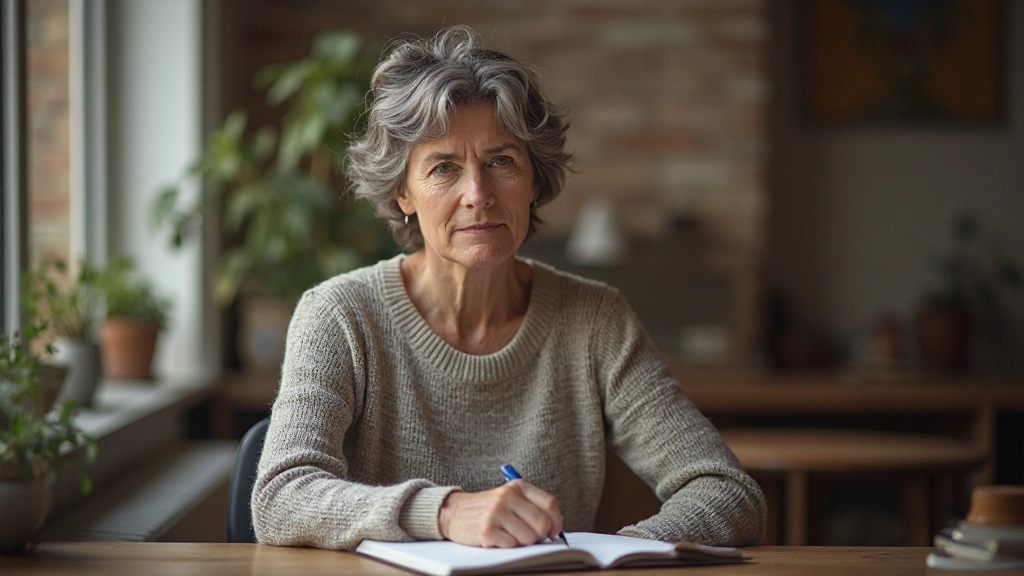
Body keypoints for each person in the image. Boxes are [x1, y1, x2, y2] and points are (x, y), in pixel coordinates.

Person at [252, 25, 766, 551]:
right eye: (443, 168)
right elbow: (281, 498)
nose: (477, 194)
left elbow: (726, 491)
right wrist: (446, 512)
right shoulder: (339, 315)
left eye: (501, 161)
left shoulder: (595, 320)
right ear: (403, 191)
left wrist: (621, 556)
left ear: (535, 180)